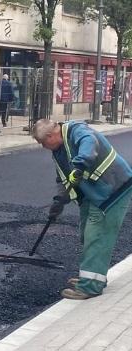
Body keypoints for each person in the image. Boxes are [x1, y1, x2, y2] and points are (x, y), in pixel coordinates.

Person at [32, 119, 132, 300]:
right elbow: (64, 180)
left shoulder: (77, 130)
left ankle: (90, 286)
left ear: (51, 135)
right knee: (86, 233)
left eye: (43, 143)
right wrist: (57, 204)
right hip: (94, 193)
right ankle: (91, 276)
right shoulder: (58, 151)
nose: (43, 147)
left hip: (114, 189)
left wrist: (80, 164)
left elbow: (89, 142)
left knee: (97, 235)